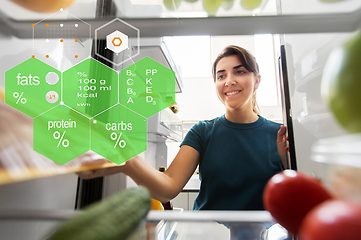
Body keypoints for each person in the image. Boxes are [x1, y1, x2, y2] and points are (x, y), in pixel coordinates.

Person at [78, 45, 288, 211]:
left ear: (257, 80)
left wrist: (288, 166)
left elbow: (296, 196)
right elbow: (168, 187)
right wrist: (129, 161)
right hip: (207, 235)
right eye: (221, 75)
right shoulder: (203, 132)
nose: (229, 81)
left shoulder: (279, 134)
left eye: (239, 72)